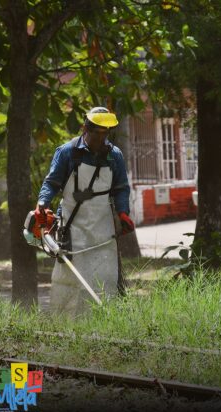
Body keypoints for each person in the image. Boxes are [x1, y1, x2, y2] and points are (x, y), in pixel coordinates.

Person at [34, 107, 134, 315]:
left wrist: (123, 212)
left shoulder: (114, 156)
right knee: (70, 280)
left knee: (105, 278)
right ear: (85, 128)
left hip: (103, 229)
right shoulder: (67, 152)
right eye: (96, 132)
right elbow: (52, 183)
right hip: (73, 226)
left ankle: (105, 323)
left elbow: (121, 188)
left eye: (104, 133)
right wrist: (43, 203)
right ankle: (65, 325)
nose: (100, 138)